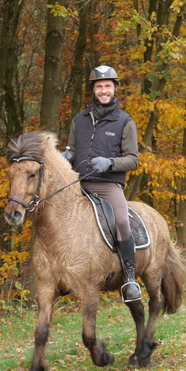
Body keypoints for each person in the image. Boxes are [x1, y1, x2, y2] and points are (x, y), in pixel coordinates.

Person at [63, 65, 142, 301]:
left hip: (108, 186)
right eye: (99, 86)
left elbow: (133, 160)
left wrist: (109, 163)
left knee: (120, 220)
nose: (104, 90)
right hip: (78, 184)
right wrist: (65, 156)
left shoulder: (125, 122)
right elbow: (72, 149)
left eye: (108, 86)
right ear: (93, 90)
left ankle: (129, 278)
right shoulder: (79, 119)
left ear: (115, 88)